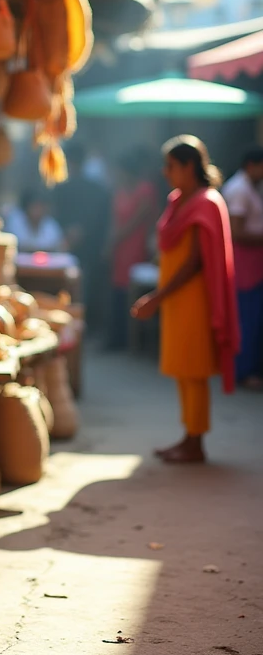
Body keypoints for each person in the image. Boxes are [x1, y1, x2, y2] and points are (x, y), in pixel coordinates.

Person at [131, 136, 239, 464]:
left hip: (192, 298)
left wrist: (157, 296)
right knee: (183, 368)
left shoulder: (206, 201)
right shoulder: (180, 199)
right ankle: (188, 436)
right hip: (177, 299)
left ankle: (196, 443)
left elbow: (195, 262)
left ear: (189, 167)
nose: (166, 173)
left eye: (171, 166)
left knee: (194, 370)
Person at [53, 143, 111, 327]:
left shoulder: (62, 189)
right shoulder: (98, 190)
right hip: (81, 246)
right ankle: (81, 324)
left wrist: (72, 232)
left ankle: (76, 323)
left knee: (78, 288)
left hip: (81, 247)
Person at [106, 148, 158, 349]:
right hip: (120, 249)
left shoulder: (146, 190)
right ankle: (117, 337)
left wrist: (115, 239)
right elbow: (114, 220)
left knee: (133, 291)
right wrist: (110, 243)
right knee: (118, 291)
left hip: (137, 247)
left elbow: (136, 221)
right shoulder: (119, 192)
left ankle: (134, 341)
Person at [221, 148, 263, 389]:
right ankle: (243, 371)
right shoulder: (239, 189)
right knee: (246, 320)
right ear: (252, 165)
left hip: (253, 264)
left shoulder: (250, 187)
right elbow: (236, 232)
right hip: (245, 264)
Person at [4, 189, 65, 253]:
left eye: (41, 207)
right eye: (35, 207)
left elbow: (57, 246)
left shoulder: (51, 224)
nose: (39, 211)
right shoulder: (15, 221)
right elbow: (18, 245)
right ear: (26, 207)